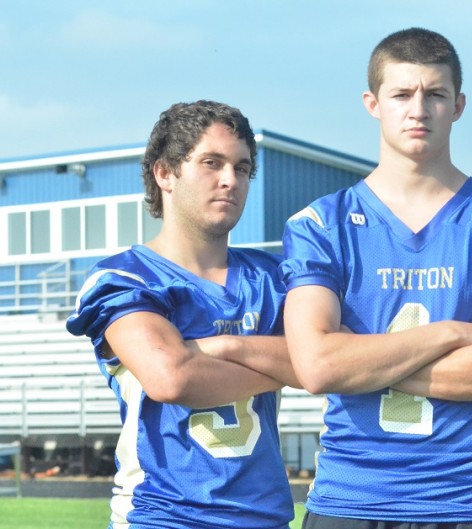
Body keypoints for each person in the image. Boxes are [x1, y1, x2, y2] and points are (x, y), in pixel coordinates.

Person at [280, 27, 472, 528]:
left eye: (435, 94)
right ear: (372, 103)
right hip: (350, 498)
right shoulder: (320, 224)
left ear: (459, 105)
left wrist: (361, 361)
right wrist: (450, 334)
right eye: (402, 94)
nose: (418, 109)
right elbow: (318, 367)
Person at [66, 100, 299, 529]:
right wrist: (296, 365)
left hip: (265, 519)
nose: (230, 180)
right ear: (164, 173)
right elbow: (172, 377)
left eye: (242, 168)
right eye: (212, 163)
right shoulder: (125, 277)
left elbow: (334, 358)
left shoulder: (273, 278)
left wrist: (226, 347)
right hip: (163, 517)